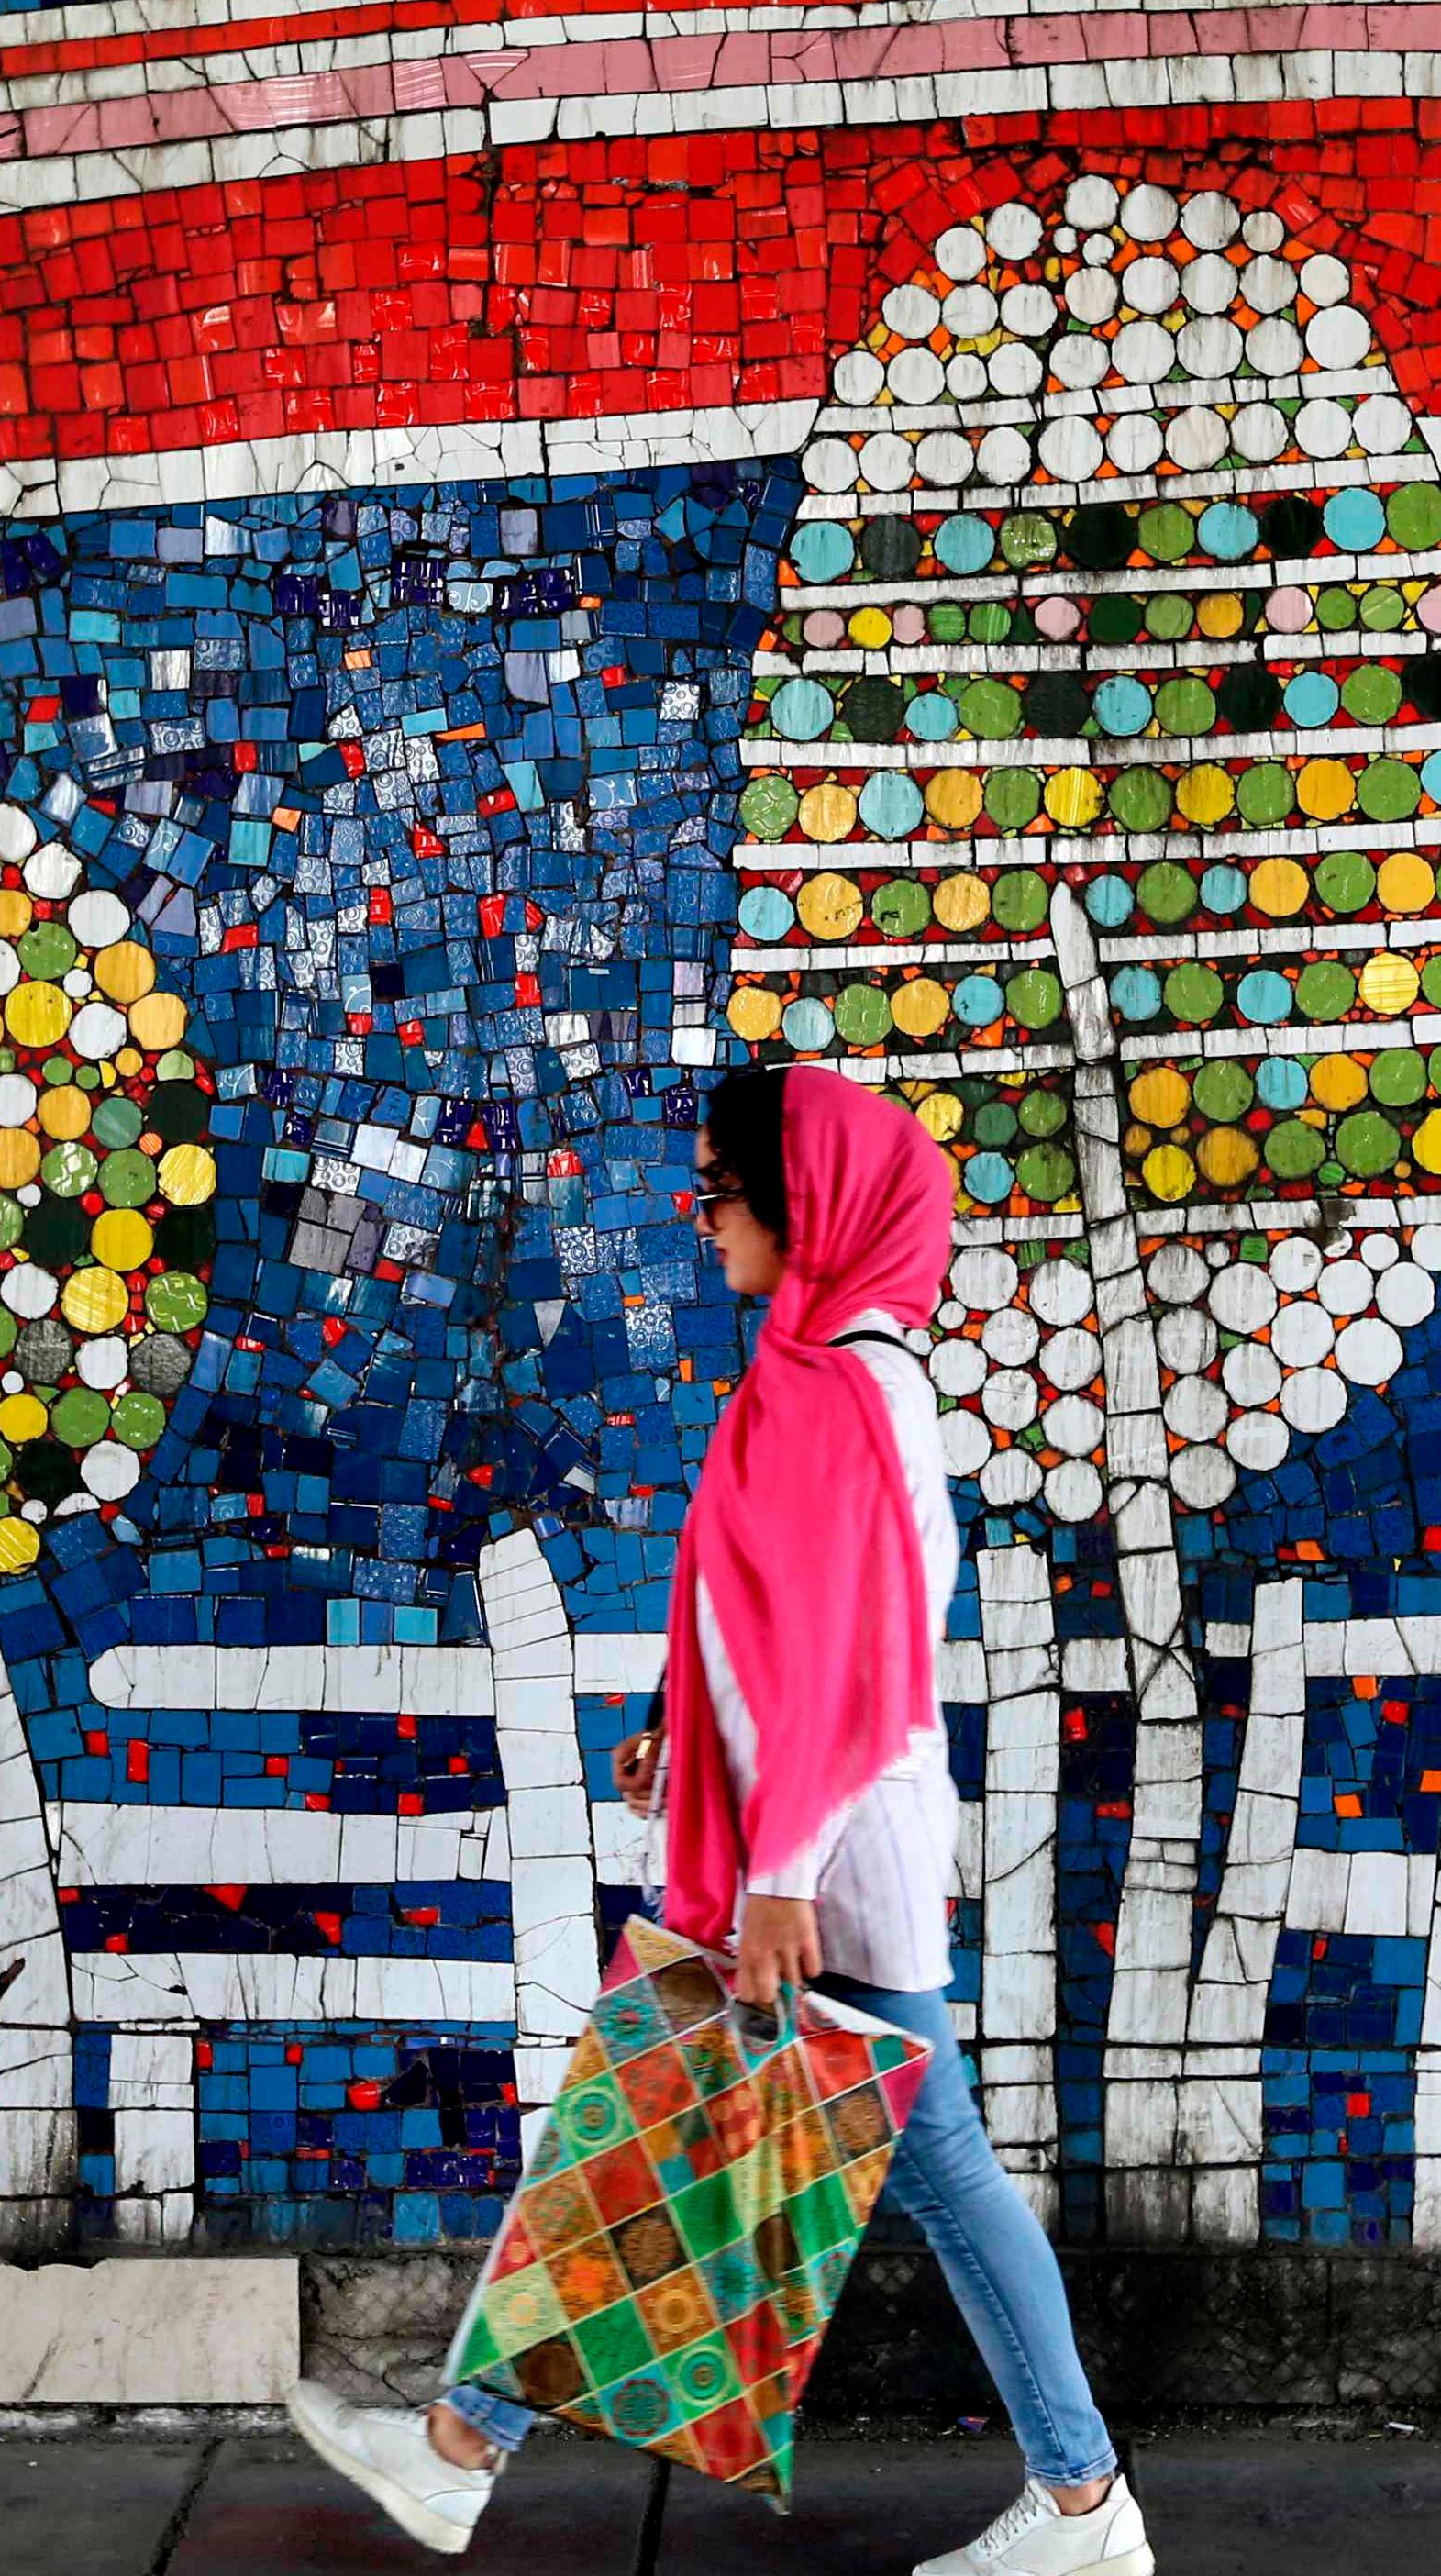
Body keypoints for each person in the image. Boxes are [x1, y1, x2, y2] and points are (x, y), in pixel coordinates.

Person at [290, 1063, 1151, 2575]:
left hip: (825, 1864)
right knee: (665, 2118)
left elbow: (852, 1660)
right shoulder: (812, 1370)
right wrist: (682, 1740)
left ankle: (1084, 2507)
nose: (705, 1215)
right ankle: (460, 2448)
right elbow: (763, 1620)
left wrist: (777, 1870)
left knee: (743, 2131)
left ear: (809, 1204)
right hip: (801, 1846)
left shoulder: (847, 1388)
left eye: (727, 1190)